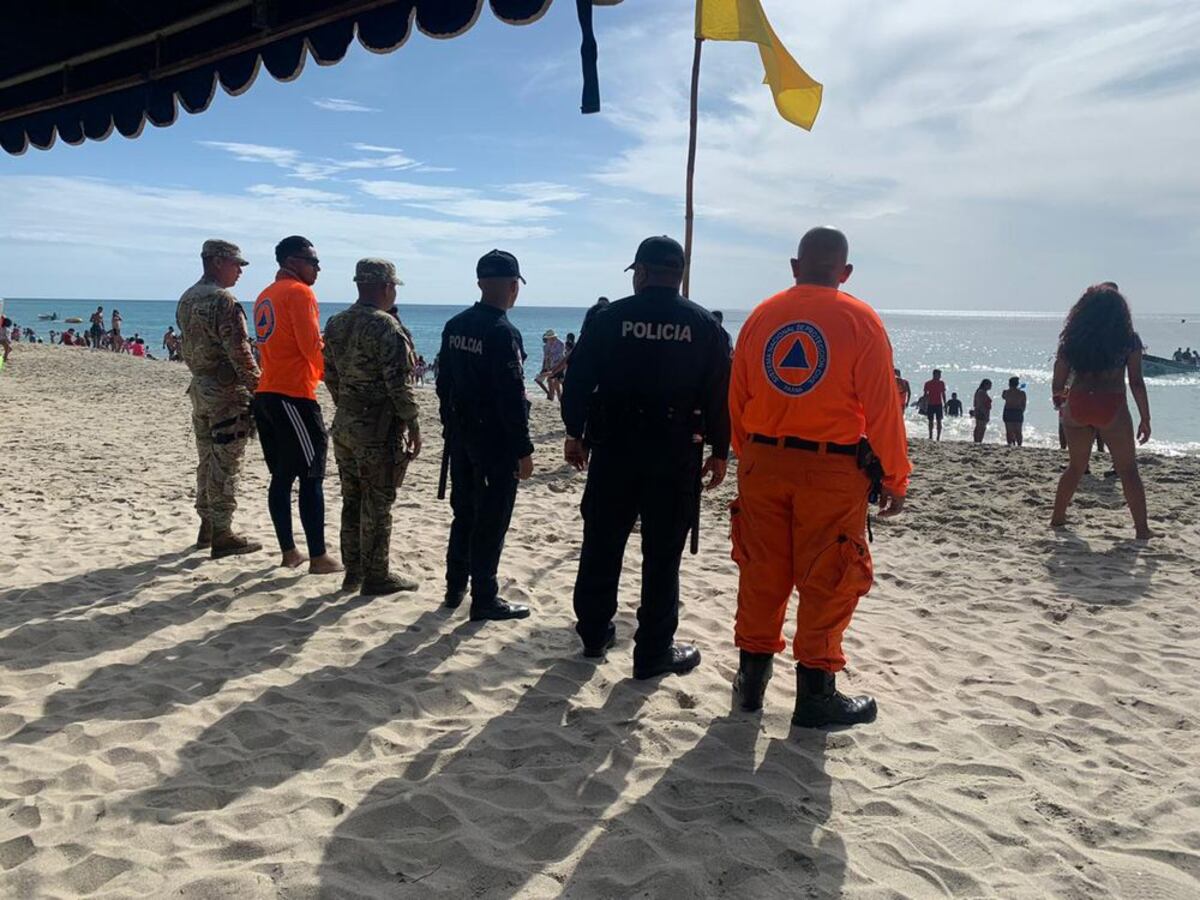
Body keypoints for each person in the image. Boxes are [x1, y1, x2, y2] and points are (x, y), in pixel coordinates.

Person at [728, 226, 910, 727]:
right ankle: (815, 694)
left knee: (762, 573)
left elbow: (738, 397)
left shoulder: (762, 316)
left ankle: (751, 683)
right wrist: (896, 475)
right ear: (845, 272)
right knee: (829, 578)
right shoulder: (860, 319)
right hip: (831, 469)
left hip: (762, 461)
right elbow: (882, 409)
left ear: (794, 266)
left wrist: (751, 456)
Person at [562, 235, 729, 679]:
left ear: (640, 272)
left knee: (602, 541)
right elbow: (720, 395)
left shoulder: (609, 317)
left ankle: (594, 632)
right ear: (679, 274)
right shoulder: (703, 325)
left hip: (615, 446)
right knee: (662, 552)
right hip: (675, 453)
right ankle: (653, 649)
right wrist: (720, 450)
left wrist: (574, 432)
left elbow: (578, 380)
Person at [436, 250, 535, 622]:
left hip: (460, 436)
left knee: (464, 513)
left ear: (480, 283)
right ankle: (484, 597)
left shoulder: (455, 325)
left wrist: (450, 425)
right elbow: (511, 398)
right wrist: (523, 449)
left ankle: (454, 585)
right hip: (493, 442)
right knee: (491, 519)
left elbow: (443, 384)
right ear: (513, 287)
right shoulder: (503, 332)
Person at [323, 260, 422, 595]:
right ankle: (376, 575)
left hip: (346, 423)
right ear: (385, 287)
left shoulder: (337, 323)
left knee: (352, 499)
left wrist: (348, 404)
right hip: (378, 429)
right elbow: (399, 385)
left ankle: (353, 572)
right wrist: (413, 422)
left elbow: (330, 375)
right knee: (378, 502)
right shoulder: (386, 327)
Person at [251, 235, 341, 574]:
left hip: (267, 392)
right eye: (313, 261)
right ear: (293, 261)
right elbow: (310, 347)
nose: (318, 267)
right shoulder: (300, 292)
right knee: (311, 474)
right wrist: (330, 378)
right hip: (293, 395)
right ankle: (317, 556)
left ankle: (290, 551)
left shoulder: (265, 295)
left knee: (282, 476)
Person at [175, 240, 262, 557]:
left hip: (200, 389)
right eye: (235, 264)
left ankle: (207, 527)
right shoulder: (222, 301)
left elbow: (188, 347)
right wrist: (260, 390)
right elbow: (240, 354)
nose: (240, 270)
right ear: (215, 262)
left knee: (207, 460)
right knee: (226, 463)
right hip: (226, 394)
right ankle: (222, 533)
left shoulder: (187, 298)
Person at [1051, 284, 1152, 539]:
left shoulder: (1073, 339)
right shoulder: (1129, 340)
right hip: (1112, 404)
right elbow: (1136, 381)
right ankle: (1142, 529)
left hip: (1078, 402)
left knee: (1075, 467)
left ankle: (1058, 518)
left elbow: (1058, 380)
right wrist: (1145, 417)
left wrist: (1061, 405)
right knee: (1128, 469)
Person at [534, 329, 566, 401]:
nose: (549, 340)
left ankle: (558, 398)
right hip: (550, 366)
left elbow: (560, 356)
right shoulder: (546, 346)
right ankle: (551, 397)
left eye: (550, 338)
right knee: (549, 382)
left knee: (556, 384)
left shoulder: (560, 343)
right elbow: (545, 358)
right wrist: (545, 367)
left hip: (559, 366)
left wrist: (550, 356)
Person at [1001, 376, 1027, 446]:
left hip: (1008, 411)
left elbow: (1003, 397)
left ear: (1009, 384)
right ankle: (1019, 445)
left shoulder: (1005, 392)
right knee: (1018, 431)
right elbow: (1023, 404)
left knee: (1009, 431)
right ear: (1017, 384)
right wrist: (1022, 411)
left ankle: (1010, 444)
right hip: (1017, 412)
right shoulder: (1022, 393)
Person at [922, 368, 947, 440]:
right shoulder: (928, 383)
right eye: (938, 374)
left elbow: (943, 394)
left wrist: (945, 403)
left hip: (939, 404)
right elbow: (925, 394)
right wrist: (924, 404)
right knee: (930, 421)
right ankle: (930, 435)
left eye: (940, 375)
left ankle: (938, 437)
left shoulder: (941, 383)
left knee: (939, 420)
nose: (940, 376)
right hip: (930, 404)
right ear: (934, 374)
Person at [971, 379, 992, 443]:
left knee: (980, 427)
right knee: (981, 428)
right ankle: (978, 441)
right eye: (989, 385)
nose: (990, 386)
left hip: (982, 411)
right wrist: (984, 413)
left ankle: (978, 441)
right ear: (985, 385)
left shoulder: (982, 392)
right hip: (981, 412)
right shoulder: (981, 392)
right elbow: (980, 404)